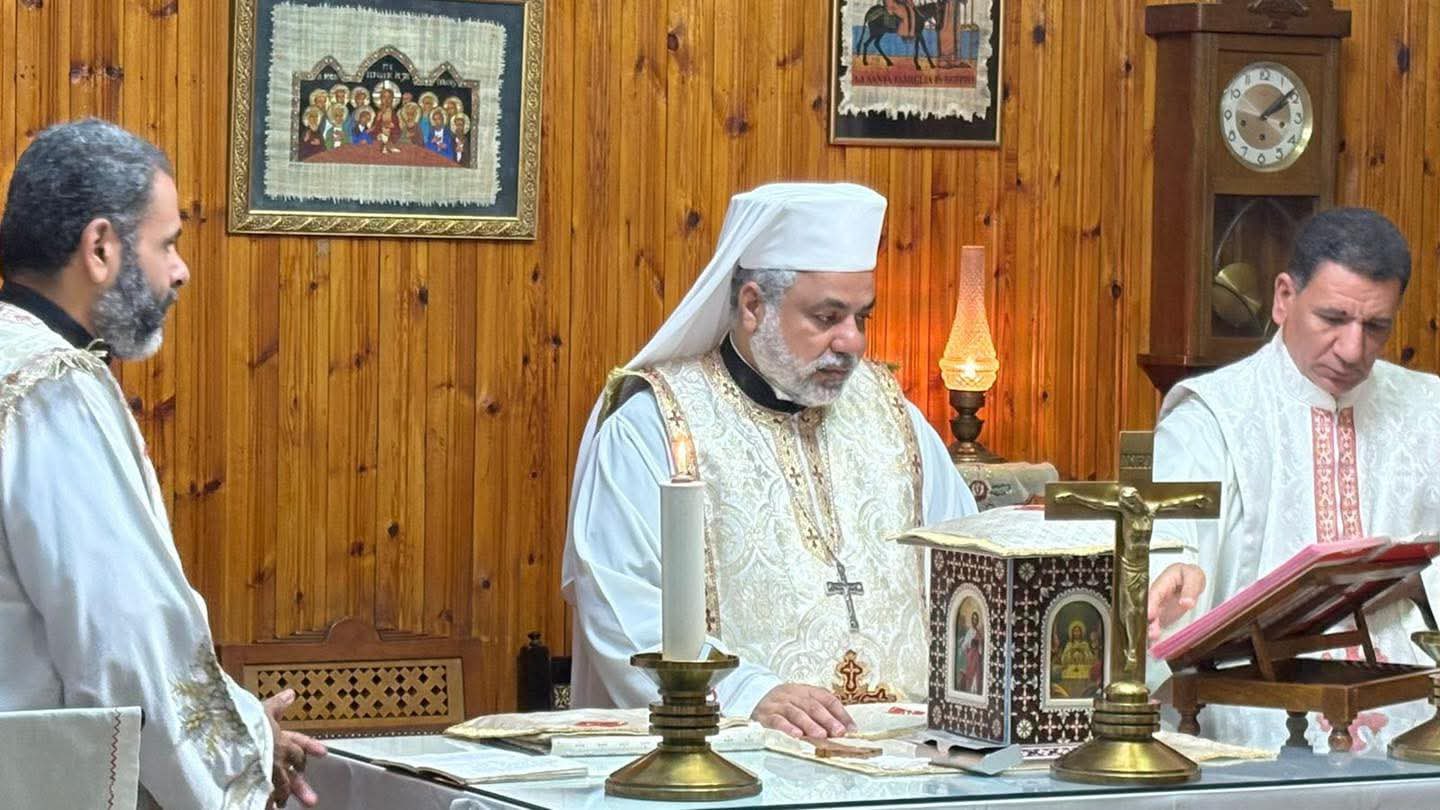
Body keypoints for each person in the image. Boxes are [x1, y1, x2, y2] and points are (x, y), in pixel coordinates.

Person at [562, 183, 977, 738]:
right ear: (753, 306)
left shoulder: (892, 414)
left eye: (862, 318)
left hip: (905, 753)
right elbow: (616, 596)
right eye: (827, 317)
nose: (851, 342)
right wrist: (744, 692)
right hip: (738, 751)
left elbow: (970, 561)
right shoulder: (656, 424)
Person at [0, 119, 325, 808]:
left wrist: (238, 716)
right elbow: (123, 637)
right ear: (100, 247)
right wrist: (245, 752)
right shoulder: (52, 389)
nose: (180, 270)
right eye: (167, 243)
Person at [1146, 207, 1440, 753]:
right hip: (1254, 704)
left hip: (1414, 708)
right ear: (1284, 297)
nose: (1353, 350)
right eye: (1332, 318)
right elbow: (1170, 545)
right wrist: (1171, 575)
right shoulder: (1212, 418)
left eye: (1375, 327)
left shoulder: (1430, 410)